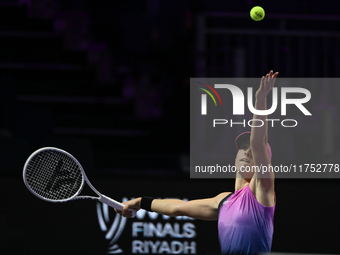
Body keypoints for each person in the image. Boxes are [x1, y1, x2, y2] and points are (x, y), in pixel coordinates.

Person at [117, 70, 279, 255]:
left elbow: (257, 143)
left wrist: (260, 100)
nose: (247, 151)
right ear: (235, 157)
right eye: (243, 148)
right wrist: (140, 202)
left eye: (252, 151)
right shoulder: (223, 201)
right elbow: (178, 208)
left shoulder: (262, 191)